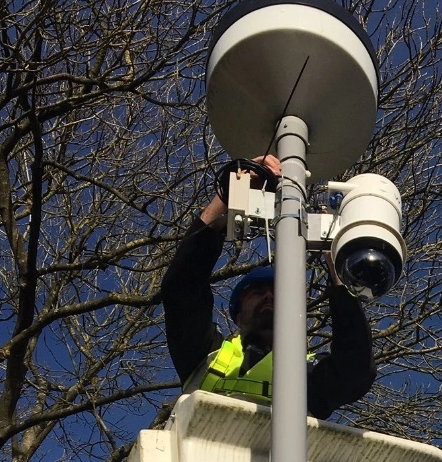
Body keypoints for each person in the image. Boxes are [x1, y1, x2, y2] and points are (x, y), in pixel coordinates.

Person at [160, 155, 376, 419]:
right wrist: (229, 196)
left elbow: (356, 369)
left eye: (278, 293)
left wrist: (336, 263)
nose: (269, 297)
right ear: (238, 315)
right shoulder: (205, 357)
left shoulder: (309, 374)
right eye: (256, 293)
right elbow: (182, 288)